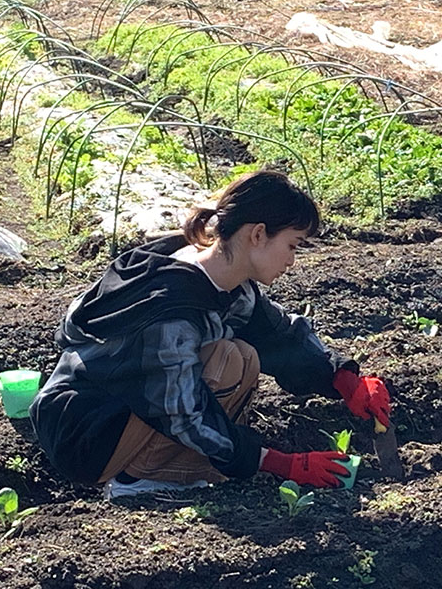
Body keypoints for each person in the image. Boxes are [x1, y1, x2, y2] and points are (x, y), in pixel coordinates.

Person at [30, 170, 391, 499]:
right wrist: (281, 463)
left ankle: (176, 465)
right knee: (227, 361)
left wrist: (343, 378)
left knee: (243, 356)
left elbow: (279, 334)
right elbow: (184, 412)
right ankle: (137, 480)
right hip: (86, 435)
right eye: (293, 245)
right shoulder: (171, 311)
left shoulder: (222, 278)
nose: (292, 261)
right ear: (258, 234)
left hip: (114, 413)